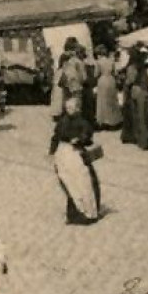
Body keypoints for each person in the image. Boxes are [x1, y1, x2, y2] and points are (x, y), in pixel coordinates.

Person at [50, 96, 102, 224]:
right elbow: (56, 137)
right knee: (69, 183)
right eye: (67, 108)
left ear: (77, 108)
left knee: (83, 183)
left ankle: (88, 212)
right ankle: (73, 214)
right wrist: (51, 151)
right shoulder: (63, 121)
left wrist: (80, 139)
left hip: (76, 155)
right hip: (63, 155)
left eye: (72, 108)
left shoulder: (82, 122)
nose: (69, 110)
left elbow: (87, 135)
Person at [93, 46, 123, 130]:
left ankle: (103, 121)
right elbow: (115, 73)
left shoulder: (98, 62)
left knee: (102, 101)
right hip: (111, 80)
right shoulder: (111, 61)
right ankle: (114, 121)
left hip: (102, 80)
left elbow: (96, 74)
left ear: (99, 54)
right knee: (112, 100)